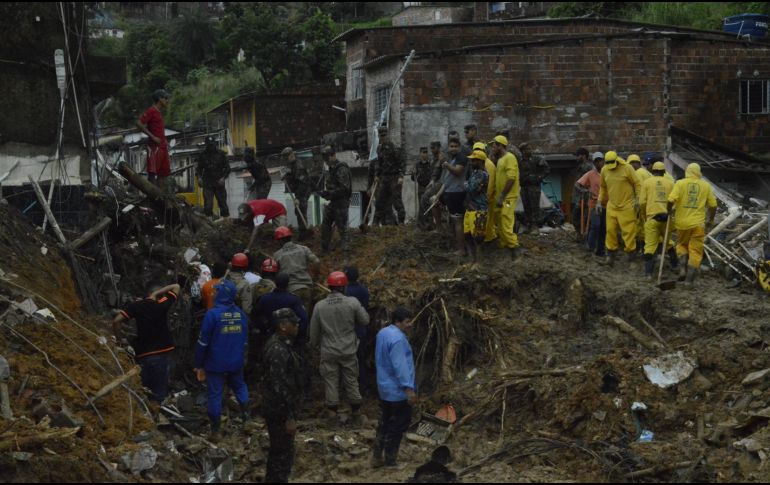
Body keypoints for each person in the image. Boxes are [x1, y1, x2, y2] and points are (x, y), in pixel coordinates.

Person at [193, 279, 249, 441]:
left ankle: (215, 431)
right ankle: (247, 421)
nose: (214, 293)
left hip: (215, 363)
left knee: (215, 395)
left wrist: (198, 364)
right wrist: (243, 358)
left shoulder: (212, 315)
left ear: (223, 294)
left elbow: (203, 342)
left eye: (217, 291)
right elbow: (245, 340)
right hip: (236, 362)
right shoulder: (240, 314)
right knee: (240, 387)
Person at [310, 271, 369, 423]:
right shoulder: (352, 302)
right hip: (348, 349)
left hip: (329, 350)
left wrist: (314, 346)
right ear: (344, 287)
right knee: (351, 380)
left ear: (329, 287)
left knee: (331, 381)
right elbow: (365, 321)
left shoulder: (319, 306)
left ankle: (332, 414)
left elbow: (314, 332)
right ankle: (356, 413)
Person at [112, 282, 181, 403]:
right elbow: (176, 286)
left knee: (143, 394)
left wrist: (120, 339)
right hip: (160, 356)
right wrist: (157, 294)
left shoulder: (136, 306)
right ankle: (156, 417)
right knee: (158, 394)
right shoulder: (161, 304)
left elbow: (116, 320)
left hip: (142, 356)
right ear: (159, 295)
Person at [262, 308, 304, 483]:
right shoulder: (278, 349)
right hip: (279, 411)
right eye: (294, 324)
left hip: (276, 408)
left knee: (278, 454)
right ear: (283, 326)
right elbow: (279, 385)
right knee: (282, 456)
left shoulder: (280, 344)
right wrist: (289, 417)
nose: (297, 327)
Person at [373, 307, 417, 468]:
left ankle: (376, 456)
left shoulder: (383, 333)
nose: (410, 324)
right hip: (397, 391)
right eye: (407, 321)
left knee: (384, 423)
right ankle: (390, 461)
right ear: (398, 322)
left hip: (384, 388)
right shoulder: (398, 340)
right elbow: (400, 366)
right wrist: (409, 389)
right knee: (397, 427)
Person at [667, 163, 717, 285]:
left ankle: (682, 269)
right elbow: (713, 205)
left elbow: (670, 200)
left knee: (681, 245)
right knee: (695, 251)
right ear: (698, 172)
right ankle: (689, 281)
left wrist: (668, 211)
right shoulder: (705, 186)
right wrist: (710, 219)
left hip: (682, 223)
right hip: (698, 225)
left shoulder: (680, 183)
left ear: (687, 171)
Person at [598, 151, 641, 267]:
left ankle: (631, 258)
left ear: (617, 160)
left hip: (627, 206)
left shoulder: (627, 168)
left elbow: (637, 184)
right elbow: (603, 187)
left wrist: (637, 199)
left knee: (629, 233)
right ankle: (610, 256)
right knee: (610, 231)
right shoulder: (604, 170)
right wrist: (599, 201)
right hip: (612, 206)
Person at [640, 162, 677, 279]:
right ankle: (675, 265)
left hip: (652, 218)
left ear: (653, 171)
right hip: (667, 218)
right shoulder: (671, 183)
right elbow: (675, 202)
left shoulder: (646, 183)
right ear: (663, 172)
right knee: (668, 242)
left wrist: (644, 215)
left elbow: (642, 203)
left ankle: (648, 274)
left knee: (650, 246)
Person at [432, 138, 469, 256]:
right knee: (433, 202)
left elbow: (457, 172)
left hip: (457, 194)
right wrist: (437, 196)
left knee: (458, 221)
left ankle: (462, 250)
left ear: (459, 147)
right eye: (451, 146)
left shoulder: (461, 158)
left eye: (455, 146)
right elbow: (446, 181)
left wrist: (446, 164)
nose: (453, 148)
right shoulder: (451, 159)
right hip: (448, 192)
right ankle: (440, 229)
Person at [273, 226, 320, 313]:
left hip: (291, 290)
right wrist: (315, 277)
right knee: (305, 316)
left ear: (280, 240)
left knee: (293, 319)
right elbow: (317, 262)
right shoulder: (303, 249)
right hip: (307, 288)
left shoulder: (277, 255)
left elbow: (275, 274)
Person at [490, 135, 521, 260]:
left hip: (508, 197)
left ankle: (515, 248)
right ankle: (505, 245)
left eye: (494, 145)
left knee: (505, 218)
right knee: (498, 218)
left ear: (500, 145)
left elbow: (511, 178)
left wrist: (502, 196)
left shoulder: (510, 158)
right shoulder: (500, 159)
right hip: (500, 197)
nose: (492, 147)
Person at [254, 272, 309, 342]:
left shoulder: (264, 298)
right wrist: (299, 337)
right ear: (288, 284)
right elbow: (304, 319)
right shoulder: (294, 299)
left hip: (269, 336)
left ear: (275, 282)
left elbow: (256, 316)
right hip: (289, 338)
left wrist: (264, 330)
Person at [319, 146, 352, 254]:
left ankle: (345, 251)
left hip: (342, 202)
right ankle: (325, 249)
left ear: (333, 155)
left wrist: (330, 193)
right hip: (334, 201)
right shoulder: (331, 169)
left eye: (327, 158)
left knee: (342, 227)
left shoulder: (341, 168)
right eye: (325, 159)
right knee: (325, 224)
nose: (326, 161)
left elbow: (344, 189)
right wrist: (326, 194)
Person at [137, 89, 171, 188]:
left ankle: (162, 196)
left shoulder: (159, 112)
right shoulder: (151, 110)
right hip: (154, 147)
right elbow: (139, 123)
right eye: (165, 98)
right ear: (159, 99)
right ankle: (152, 195)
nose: (167, 100)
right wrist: (152, 137)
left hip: (162, 146)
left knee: (163, 173)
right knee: (152, 172)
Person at [344, 266, 371, 392]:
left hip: (347, 331)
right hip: (361, 330)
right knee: (361, 359)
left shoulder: (345, 292)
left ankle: (350, 388)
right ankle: (363, 385)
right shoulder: (364, 290)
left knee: (348, 361)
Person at [575, 152, 606, 257]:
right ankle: (590, 247)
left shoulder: (609, 173)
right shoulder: (590, 174)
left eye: (600, 160)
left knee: (603, 228)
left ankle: (600, 251)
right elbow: (578, 184)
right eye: (596, 161)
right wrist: (585, 191)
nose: (599, 163)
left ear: (603, 161)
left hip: (608, 205)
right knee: (595, 225)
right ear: (594, 162)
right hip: (594, 204)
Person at [368, 141, 406, 225]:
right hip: (385, 179)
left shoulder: (394, 150)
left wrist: (401, 176)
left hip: (394, 177)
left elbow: (402, 163)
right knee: (379, 201)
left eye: (384, 135)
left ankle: (401, 222)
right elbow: (380, 165)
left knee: (396, 201)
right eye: (381, 136)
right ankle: (375, 223)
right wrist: (377, 175)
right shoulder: (379, 150)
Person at [464, 150, 490, 264]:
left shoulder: (482, 174)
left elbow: (470, 188)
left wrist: (467, 185)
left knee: (478, 238)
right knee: (468, 234)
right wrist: (467, 185)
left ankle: (479, 263)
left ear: (480, 161)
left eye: (474, 160)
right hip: (470, 208)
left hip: (479, 209)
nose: (471, 162)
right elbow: (469, 186)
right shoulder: (474, 173)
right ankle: (472, 261)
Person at [518, 142, 551, 233]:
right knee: (526, 206)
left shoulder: (537, 159)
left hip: (534, 187)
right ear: (523, 151)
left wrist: (538, 177)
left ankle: (535, 225)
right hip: (524, 186)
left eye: (530, 148)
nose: (530, 150)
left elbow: (547, 169)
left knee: (535, 207)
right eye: (527, 149)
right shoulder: (519, 161)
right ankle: (527, 225)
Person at [196, 136, 231, 218]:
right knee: (208, 205)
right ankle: (209, 224)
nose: (211, 147)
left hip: (219, 183)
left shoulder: (221, 154)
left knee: (223, 205)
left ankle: (226, 222)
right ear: (206, 145)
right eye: (209, 145)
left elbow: (228, 168)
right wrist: (200, 178)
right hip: (207, 183)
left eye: (212, 145)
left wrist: (223, 178)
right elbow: (199, 169)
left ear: (215, 144)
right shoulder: (202, 155)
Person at [281, 147, 312, 238]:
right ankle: (303, 231)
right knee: (298, 211)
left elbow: (302, 184)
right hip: (298, 191)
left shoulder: (299, 166)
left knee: (301, 210)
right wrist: (285, 176)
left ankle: (304, 234)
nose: (286, 160)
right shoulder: (292, 165)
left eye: (287, 158)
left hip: (303, 191)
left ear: (291, 155)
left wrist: (298, 198)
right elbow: (290, 175)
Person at [472, 142, 497, 243]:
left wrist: (486, 198)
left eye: (479, 150)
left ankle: (489, 240)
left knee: (488, 221)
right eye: (476, 150)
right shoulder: (480, 164)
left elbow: (490, 184)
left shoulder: (488, 165)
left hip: (487, 199)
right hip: (483, 199)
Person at [413, 147, 434, 230]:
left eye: (426, 152)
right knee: (422, 206)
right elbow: (413, 178)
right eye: (423, 152)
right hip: (421, 188)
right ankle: (421, 224)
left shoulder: (431, 163)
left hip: (430, 188)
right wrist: (414, 173)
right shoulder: (417, 165)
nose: (425, 154)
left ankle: (430, 224)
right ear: (420, 153)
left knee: (430, 206)